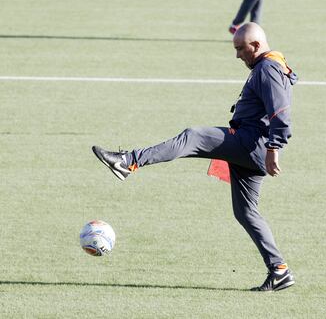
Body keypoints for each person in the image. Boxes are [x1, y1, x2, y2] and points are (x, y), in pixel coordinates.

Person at [92, 22, 298, 292]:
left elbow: (280, 114)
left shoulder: (269, 68)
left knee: (194, 136)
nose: (238, 56)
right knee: (246, 213)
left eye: (240, 49)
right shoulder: (267, 66)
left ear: (256, 45)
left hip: (253, 144)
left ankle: (128, 160)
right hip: (251, 146)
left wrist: (274, 149)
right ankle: (279, 270)